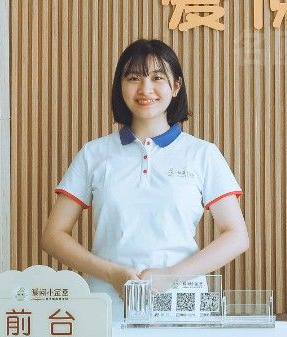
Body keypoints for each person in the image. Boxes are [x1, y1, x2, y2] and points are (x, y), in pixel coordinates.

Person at [40, 39, 248, 313]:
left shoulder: (203, 154)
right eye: (134, 78)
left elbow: (236, 236)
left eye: (157, 78)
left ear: (176, 86)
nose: (145, 88)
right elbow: (53, 236)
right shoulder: (94, 153)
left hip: (181, 307)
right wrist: (111, 274)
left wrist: (170, 275)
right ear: (120, 86)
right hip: (108, 306)